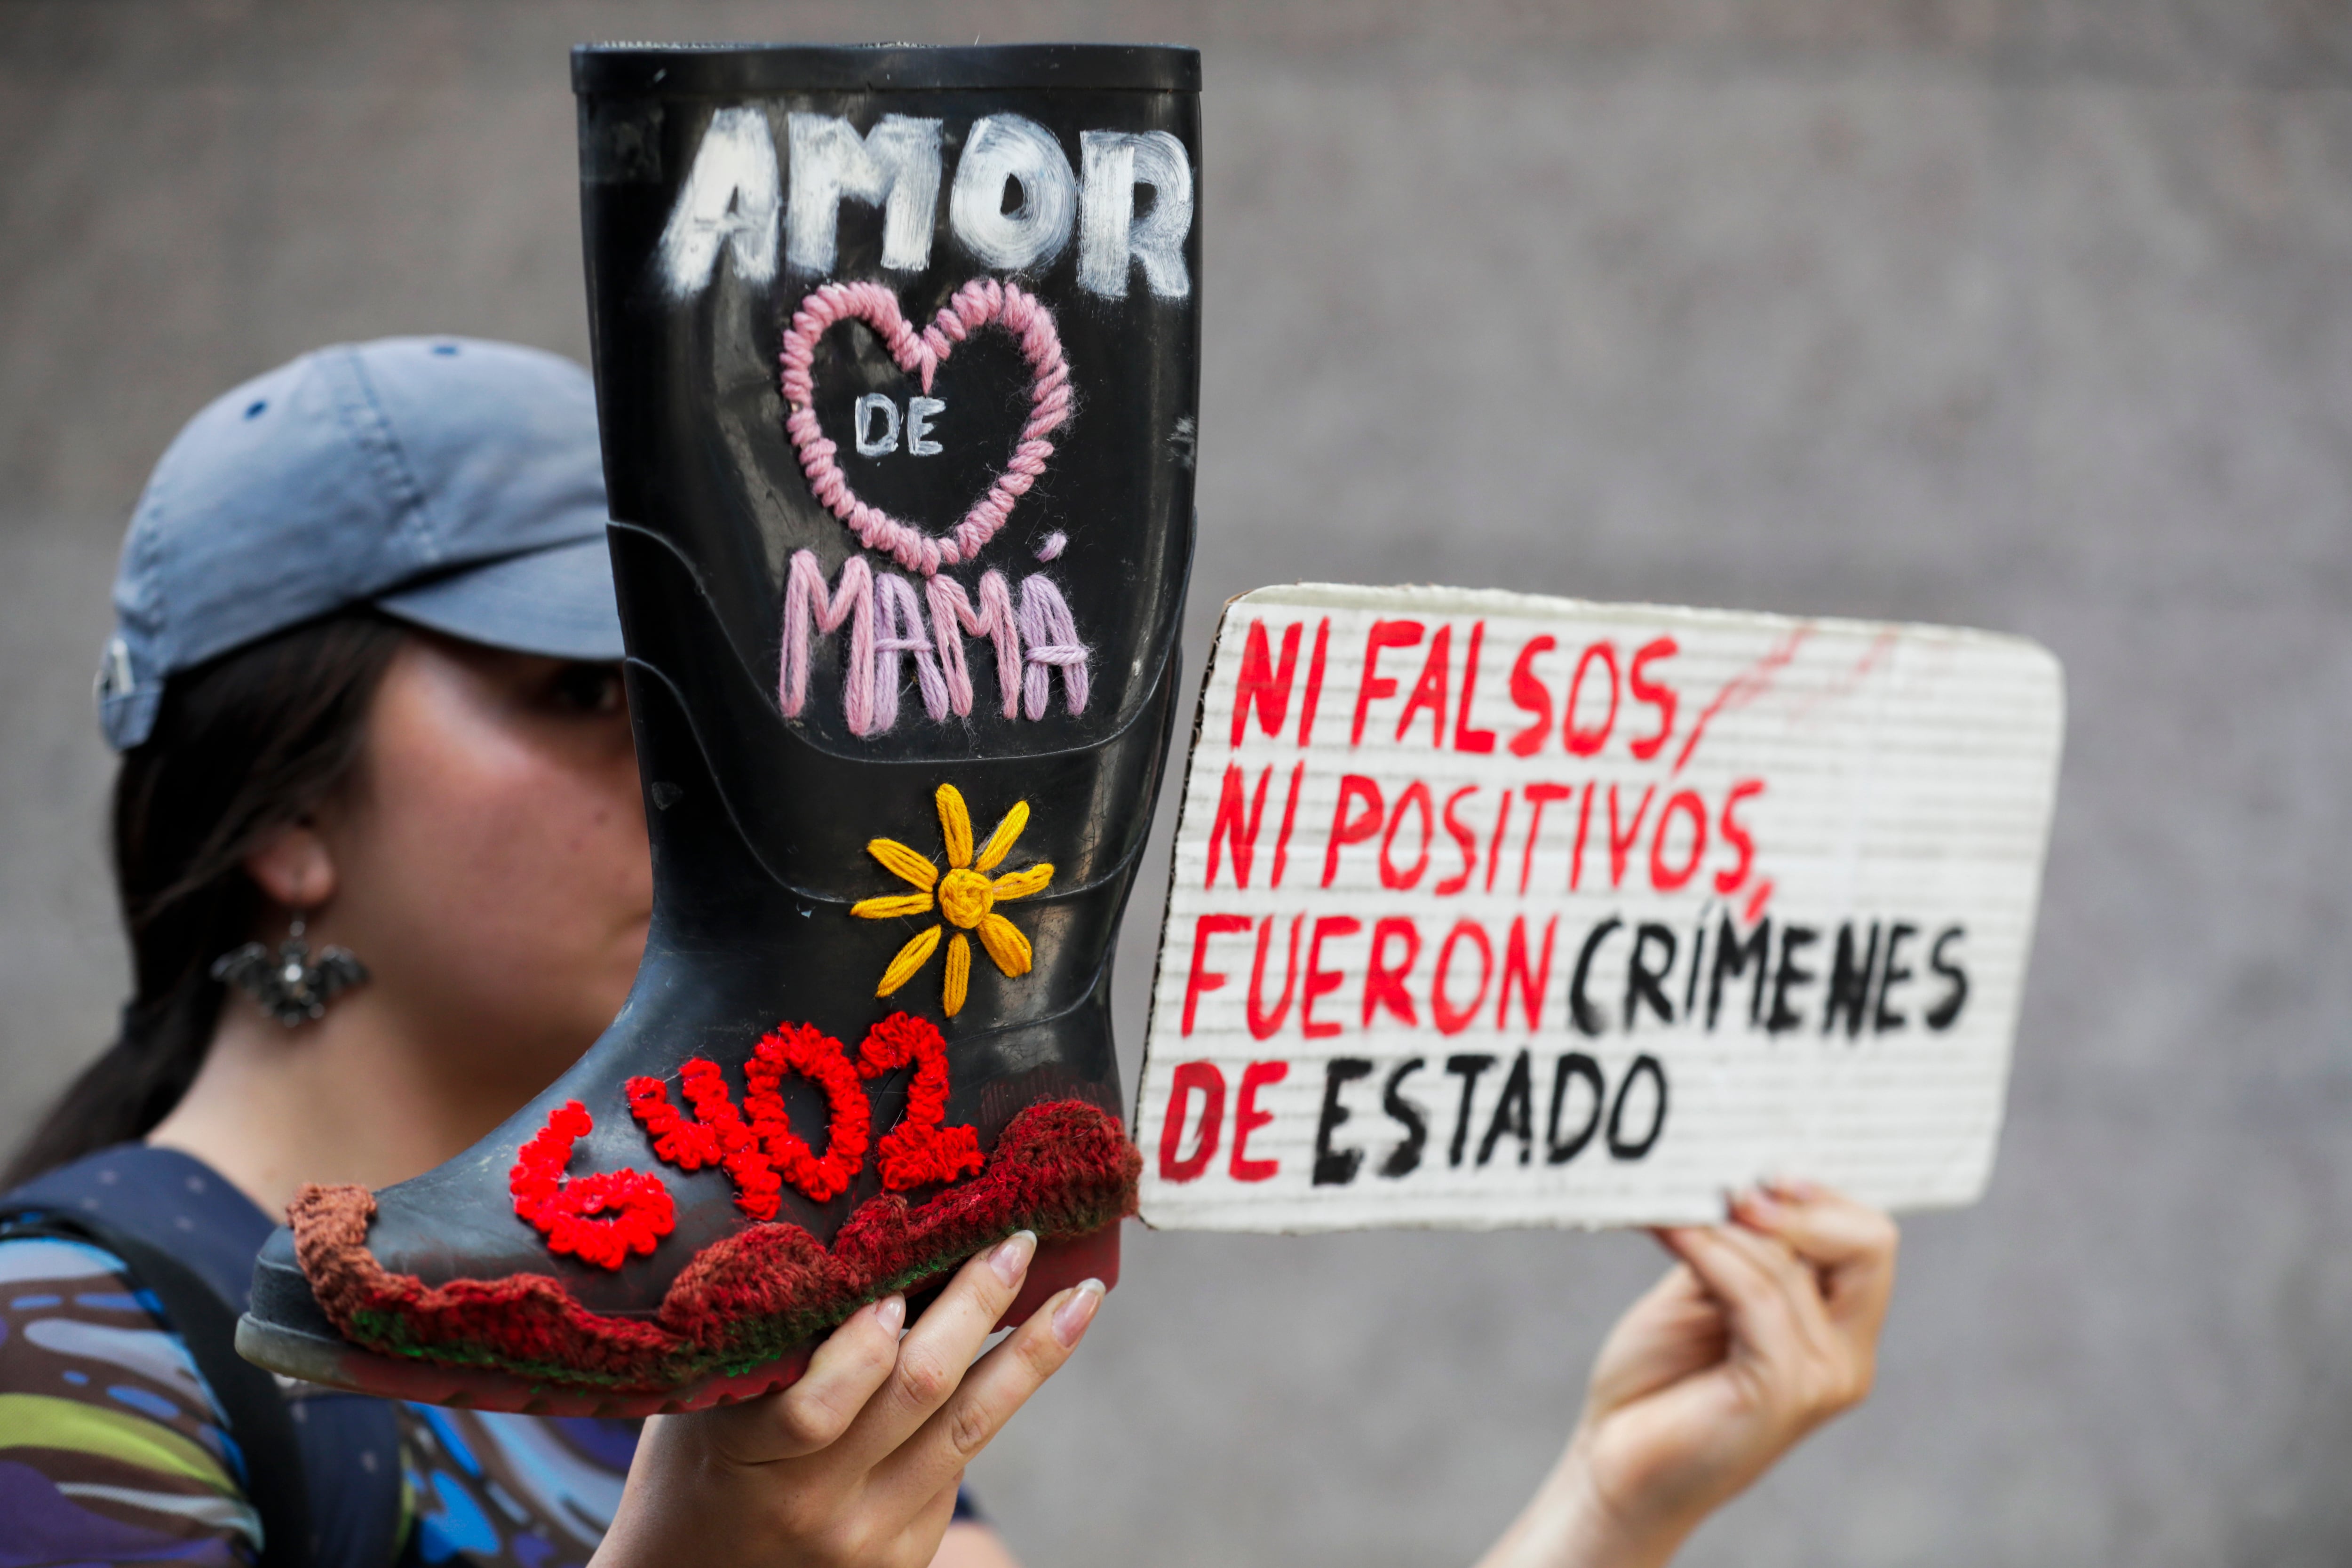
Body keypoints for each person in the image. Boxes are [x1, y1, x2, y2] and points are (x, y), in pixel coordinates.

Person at [0, 338, 1898, 1568]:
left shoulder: (733, 1336)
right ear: (283, 809)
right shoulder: (69, 1338)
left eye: (734, 711)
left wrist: (1609, 1502)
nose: (711, 787)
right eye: (589, 694)